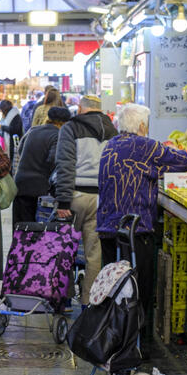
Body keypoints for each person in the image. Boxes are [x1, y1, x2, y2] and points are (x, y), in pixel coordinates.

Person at [97, 103, 187, 333]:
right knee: (139, 289)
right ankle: (137, 345)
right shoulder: (146, 146)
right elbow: (184, 161)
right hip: (135, 231)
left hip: (108, 229)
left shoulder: (111, 145)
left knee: (114, 286)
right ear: (141, 125)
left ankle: (114, 338)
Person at [54, 94, 117, 306]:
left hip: (75, 197)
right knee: (94, 254)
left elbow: (65, 164)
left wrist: (62, 201)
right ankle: (89, 302)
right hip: (101, 199)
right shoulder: (113, 131)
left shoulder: (70, 128)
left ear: (80, 108)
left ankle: (63, 298)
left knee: (64, 249)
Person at [13, 106, 69, 223]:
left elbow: (20, 150)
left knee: (22, 230)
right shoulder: (58, 135)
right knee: (39, 232)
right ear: (64, 123)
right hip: (40, 189)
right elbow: (54, 160)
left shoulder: (33, 130)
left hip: (20, 185)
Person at [0, 99, 23, 167]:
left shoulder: (15, 116)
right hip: (9, 144)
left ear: (5, 109)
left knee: (11, 163)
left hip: (13, 144)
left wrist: (2, 127)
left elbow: (15, 130)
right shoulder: (8, 116)